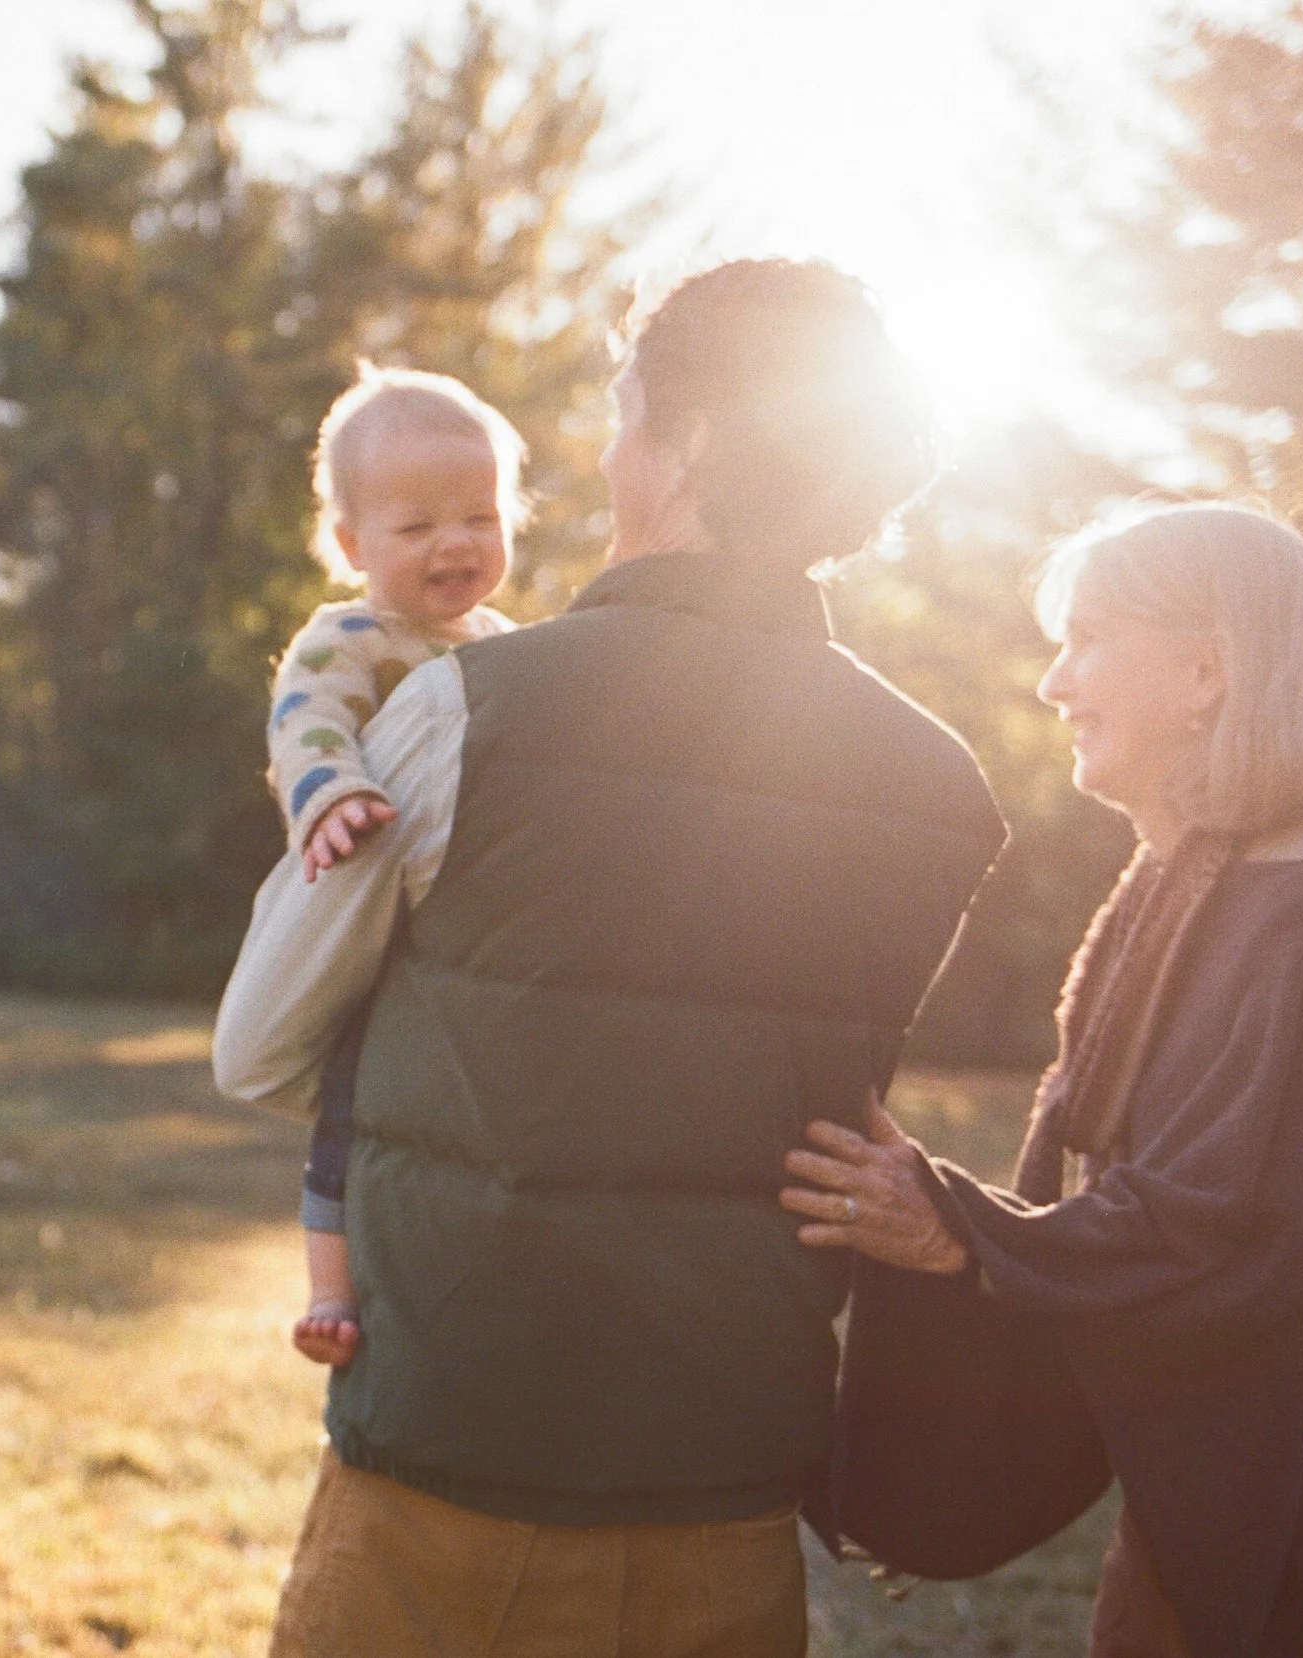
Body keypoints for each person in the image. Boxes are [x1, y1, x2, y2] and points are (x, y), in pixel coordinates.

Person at [214, 259, 1007, 1658]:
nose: (602, 447)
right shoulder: (938, 788)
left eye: (626, 413)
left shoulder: (469, 701)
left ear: (690, 439)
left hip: (464, 1458)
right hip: (729, 1478)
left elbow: (260, 1042)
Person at [781, 503, 1303, 1658]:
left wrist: (962, 1232)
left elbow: (1241, 1236)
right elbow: (1075, 1186)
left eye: (1086, 639)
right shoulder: (1180, 883)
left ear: (1207, 668)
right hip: (1195, 1527)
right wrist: (970, 1237)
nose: (1052, 684)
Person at [269, 364, 523, 1368]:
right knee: (351, 1099)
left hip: (457, 931)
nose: (455, 543)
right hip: (358, 904)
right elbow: (306, 725)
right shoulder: (349, 637)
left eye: (479, 515)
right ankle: (330, 1291)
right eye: (417, 527)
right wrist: (328, 796)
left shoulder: (509, 647)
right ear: (352, 545)